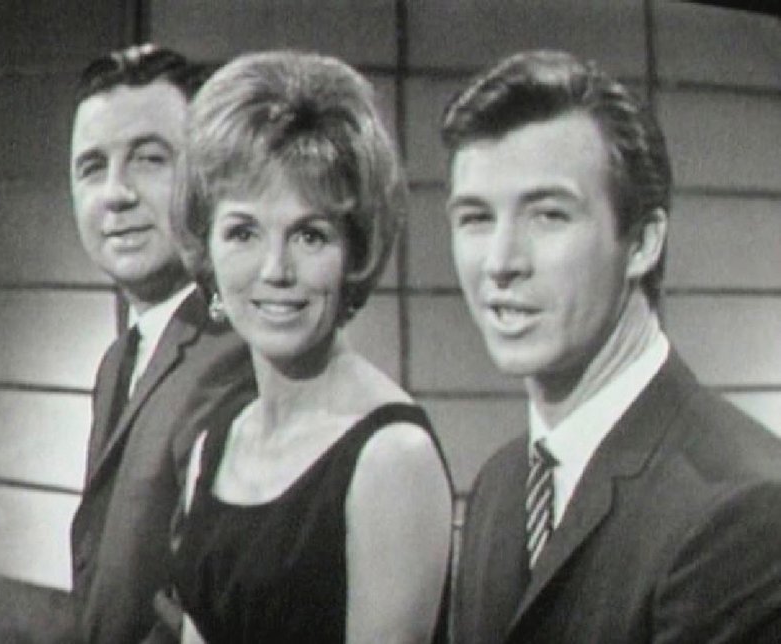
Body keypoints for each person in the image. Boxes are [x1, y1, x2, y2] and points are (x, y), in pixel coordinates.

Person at [442, 49, 781, 643]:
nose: (500, 262)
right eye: (476, 218)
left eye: (548, 215)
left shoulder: (744, 507)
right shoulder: (502, 482)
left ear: (643, 242)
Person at [167, 50, 453, 644]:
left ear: (353, 253)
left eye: (310, 235)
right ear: (207, 250)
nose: (276, 269)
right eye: (243, 232)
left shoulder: (392, 457)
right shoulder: (215, 440)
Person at [68, 44, 255, 644]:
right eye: (91, 167)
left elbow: (205, 605)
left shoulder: (239, 352)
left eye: (149, 159)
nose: (115, 193)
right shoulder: (119, 359)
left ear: (207, 180)